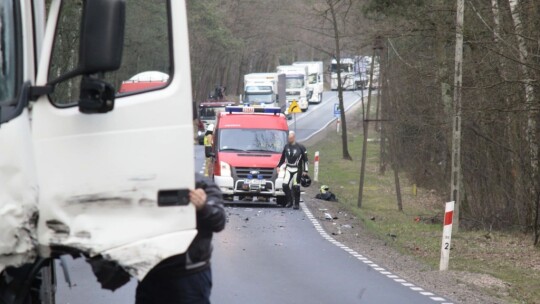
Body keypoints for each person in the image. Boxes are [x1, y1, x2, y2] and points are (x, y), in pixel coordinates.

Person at [135, 174, 226, 304]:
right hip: (150, 274)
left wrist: (203, 207)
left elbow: (219, 221)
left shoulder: (200, 184)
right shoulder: (142, 185)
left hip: (188, 275)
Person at [276, 131, 309, 210]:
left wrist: (305, 171)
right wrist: (278, 166)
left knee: (296, 186)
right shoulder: (286, 146)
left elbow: (305, 160)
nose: (289, 140)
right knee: (284, 185)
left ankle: (296, 204)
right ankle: (290, 201)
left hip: (297, 169)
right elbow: (283, 158)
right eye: (288, 138)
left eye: (290, 138)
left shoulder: (301, 147)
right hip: (288, 169)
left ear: (294, 137)